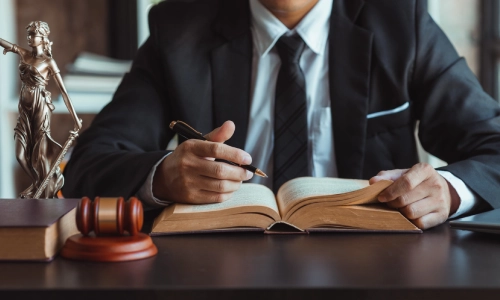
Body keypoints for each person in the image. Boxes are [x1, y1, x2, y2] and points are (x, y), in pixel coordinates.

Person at [62, 0, 500, 229]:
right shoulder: (177, 30)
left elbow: (493, 144)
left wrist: (448, 190)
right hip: (216, 272)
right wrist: (162, 176)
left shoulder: (402, 23)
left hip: (377, 268)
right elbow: (91, 162)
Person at [0, 21, 82, 198]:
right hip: (24, 109)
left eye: (33, 34)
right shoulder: (24, 53)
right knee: (20, 155)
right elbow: (7, 44)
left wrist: (75, 118)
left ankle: (43, 192)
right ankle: (38, 184)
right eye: (28, 34)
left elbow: (63, 91)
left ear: (43, 37)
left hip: (40, 107)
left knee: (40, 155)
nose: (29, 38)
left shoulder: (48, 62)